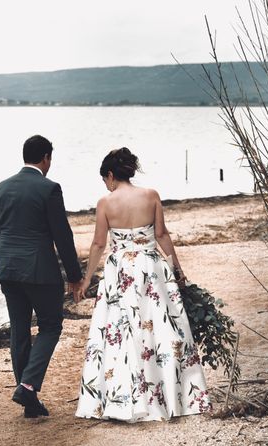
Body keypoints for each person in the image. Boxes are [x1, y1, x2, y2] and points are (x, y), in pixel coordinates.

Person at [75, 147, 211, 422]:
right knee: (161, 330)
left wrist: (87, 278)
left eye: (105, 179)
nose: (106, 185)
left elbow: (99, 243)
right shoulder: (151, 196)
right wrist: (178, 271)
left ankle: (121, 399)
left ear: (111, 175)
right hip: (151, 268)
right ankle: (170, 398)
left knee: (120, 332)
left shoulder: (105, 203)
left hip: (120, 272)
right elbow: (161, 234)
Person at [0, 135, 83, 418]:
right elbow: (62, 235)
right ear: (46, 158)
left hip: (8, 269)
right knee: (50, 326)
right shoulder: (49, 188)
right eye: (50, 158)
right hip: (39, 271)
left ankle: (28, 400)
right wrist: (74, 275)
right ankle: (28, 386)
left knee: (19, 329)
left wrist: (1, 266)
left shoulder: (1, 187)